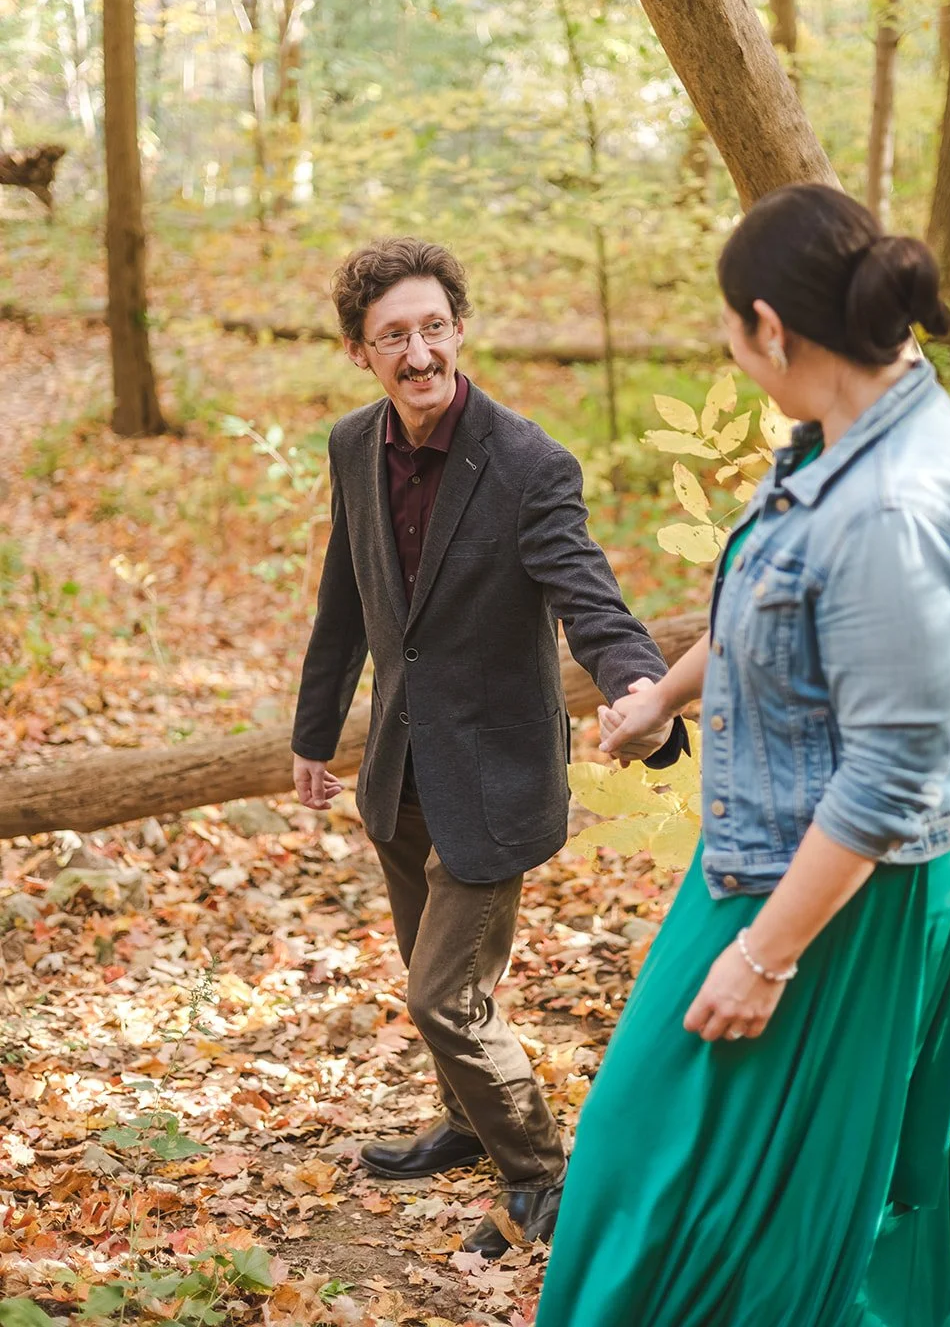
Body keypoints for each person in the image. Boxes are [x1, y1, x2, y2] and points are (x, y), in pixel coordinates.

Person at [535, 184, 950, 1327]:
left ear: (772, 328)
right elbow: (773, 603)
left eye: (730, 336)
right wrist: (658, 695)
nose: (733, 356)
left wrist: (768, 956)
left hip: (844, 883)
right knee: (668, 1146)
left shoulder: (892, 506)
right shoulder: (843, 426)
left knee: (744, 1170)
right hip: (778, 848)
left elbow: (888, 773)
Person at [290, 236, 686, 1258]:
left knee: (441, 993)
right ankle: (464, 1124)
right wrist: (313, 733)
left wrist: (638, 687)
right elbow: (345, 599)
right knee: (440, 984)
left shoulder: (526, 464)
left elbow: (586, 598)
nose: (416, 353)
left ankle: (540, 1170)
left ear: (458, 329)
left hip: (498, 776)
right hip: (399, 771)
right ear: (359, 351)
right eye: (392, 337)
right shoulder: (350, 445)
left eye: (431, 328)